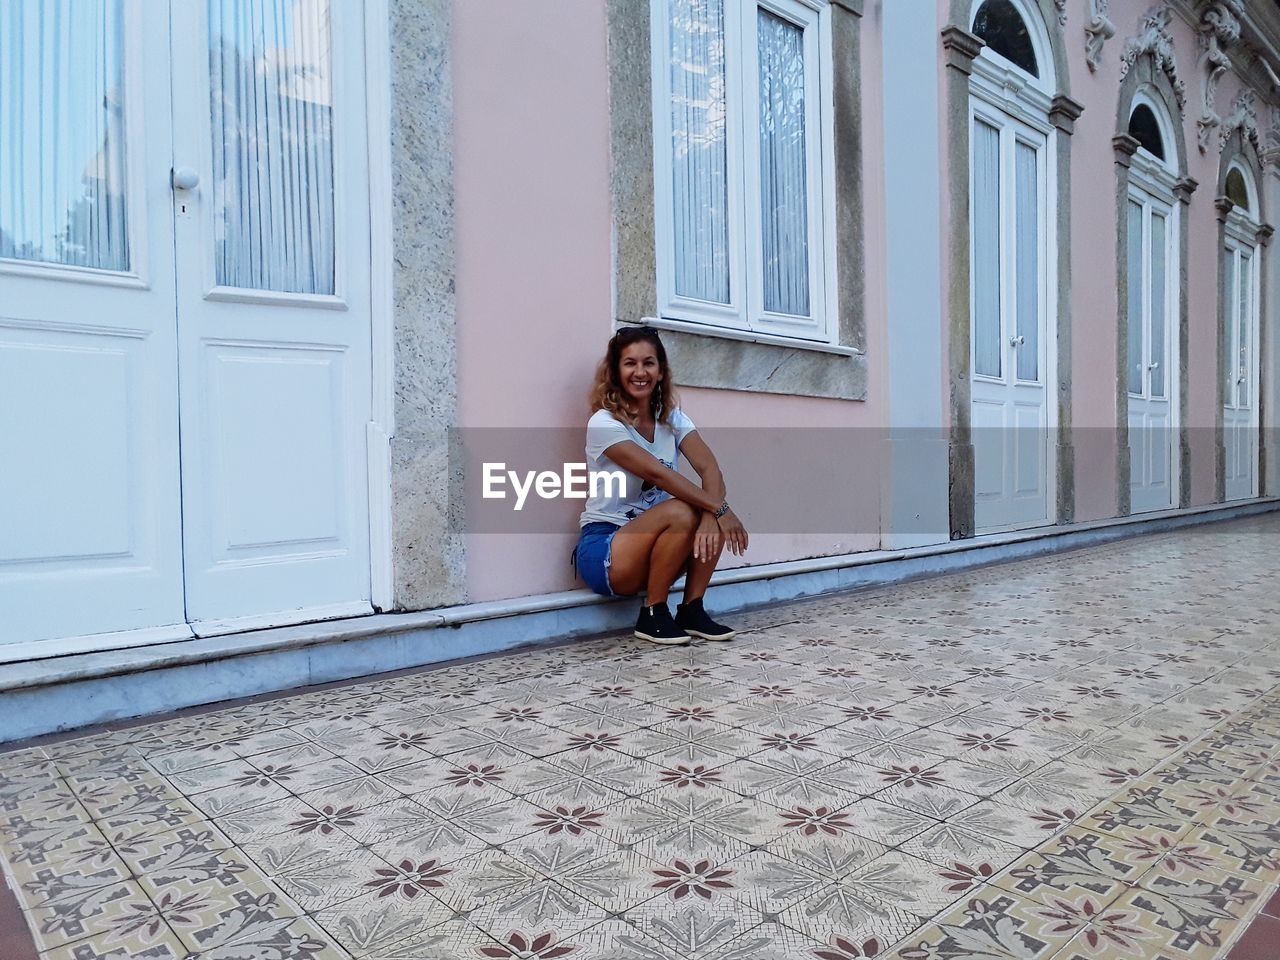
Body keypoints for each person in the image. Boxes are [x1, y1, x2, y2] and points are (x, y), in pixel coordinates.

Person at [574, 325, 748, 645]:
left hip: (655, 549)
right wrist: (719, 508)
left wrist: (713, 515)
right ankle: (652, 613)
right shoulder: (604, 423)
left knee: (705, 511)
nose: (640, 372)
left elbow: (710, 467)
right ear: (614, 371)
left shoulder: (672, 417)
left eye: (648, 363)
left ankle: (691, 609)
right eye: (630, 363)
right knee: (687, 510)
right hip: (605, 550)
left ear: (661, 370)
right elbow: (658, 475)